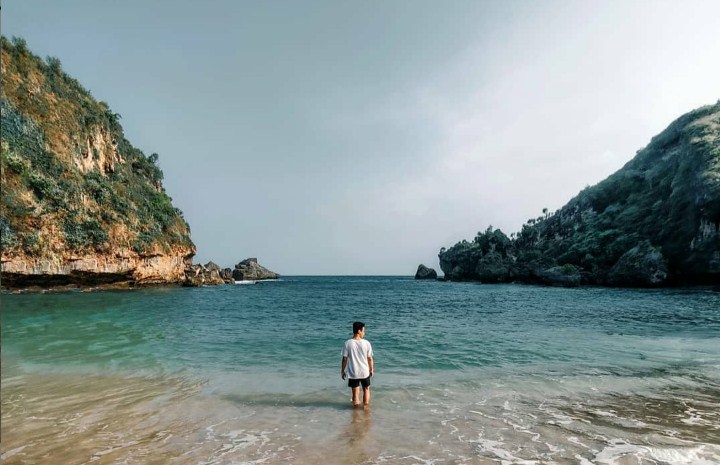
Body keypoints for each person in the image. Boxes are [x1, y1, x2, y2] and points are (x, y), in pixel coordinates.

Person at [341, 321, 374, 408]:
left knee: (355, 391)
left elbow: (344, 359)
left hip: (353, 372)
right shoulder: (367, 343)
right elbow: (370, 358)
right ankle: (365, 408)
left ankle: (355, 412)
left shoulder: (347, 343)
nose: (364, 332)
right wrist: (371, 369)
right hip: (364, 371)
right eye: (363, 330)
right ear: (359, 331)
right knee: (366, 389)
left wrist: (342, 371)